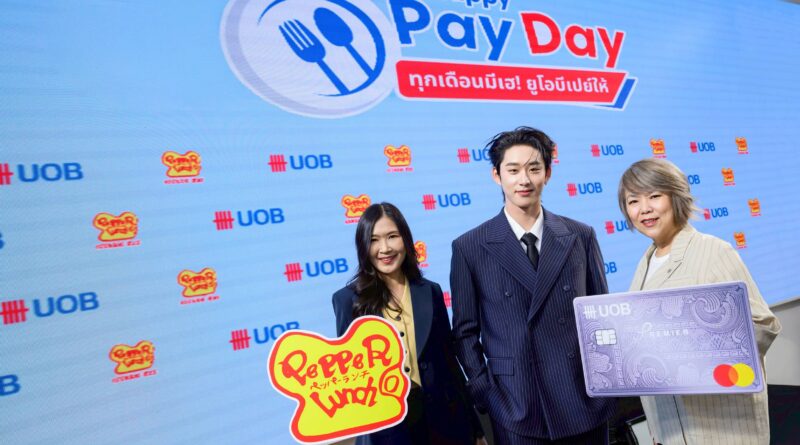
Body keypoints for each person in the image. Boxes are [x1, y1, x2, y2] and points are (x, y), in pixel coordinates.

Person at [450, 127, 615, 445]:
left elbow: (601, 317)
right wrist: (485, 391)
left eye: (534, 169)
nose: (523, 180)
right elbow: (465, 333)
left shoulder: (580, 236)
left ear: (548, 174)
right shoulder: (470, 247)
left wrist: (607, 379)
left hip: (583, 398)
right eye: (513, 170)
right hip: (517, 405)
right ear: (496, 176)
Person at [618, 158, 781, 445]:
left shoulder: (713, 251)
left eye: (654, 196)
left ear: (676, 197)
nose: (644, 209)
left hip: (720, 427)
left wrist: (696, 350)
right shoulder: (645, 263)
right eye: (633, 201)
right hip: (669, 428)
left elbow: (762, 325)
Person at [332, 202, 487, 445]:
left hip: (444, 421)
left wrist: (476, 429)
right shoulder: (347, 301)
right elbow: (352, 378)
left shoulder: (430, 291)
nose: (385, 248)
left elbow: (450, 363)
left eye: (392, 236)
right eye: (374, 240)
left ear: (405, 239)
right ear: (363, 246)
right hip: (386, 431)